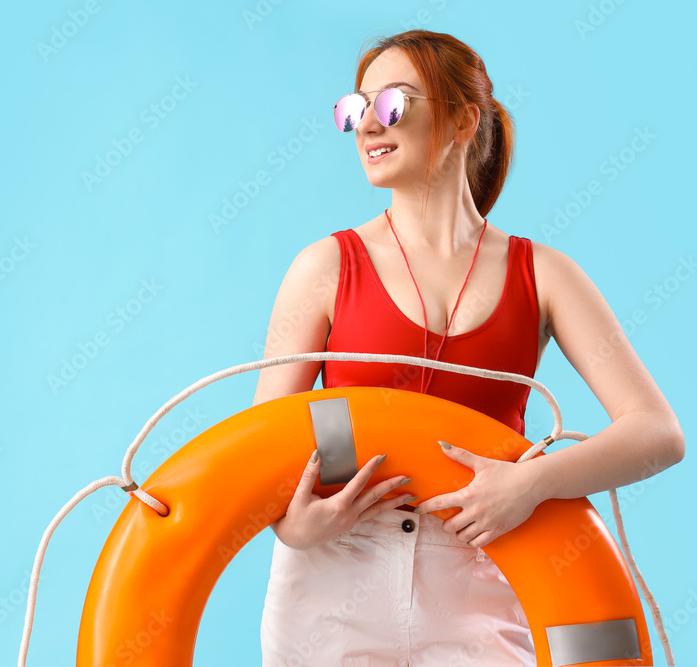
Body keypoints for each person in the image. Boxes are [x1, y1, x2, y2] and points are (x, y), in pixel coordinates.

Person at [255, 29, 685, 666]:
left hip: (483, 567)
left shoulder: (543, 274)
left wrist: (533, 483)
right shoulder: (324, 266)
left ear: (462, 120)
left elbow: (659, 435)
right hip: (335, 573)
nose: (367, 126)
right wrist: (294, 527)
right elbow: (269, 441)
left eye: (393, 105)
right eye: (355, 109)